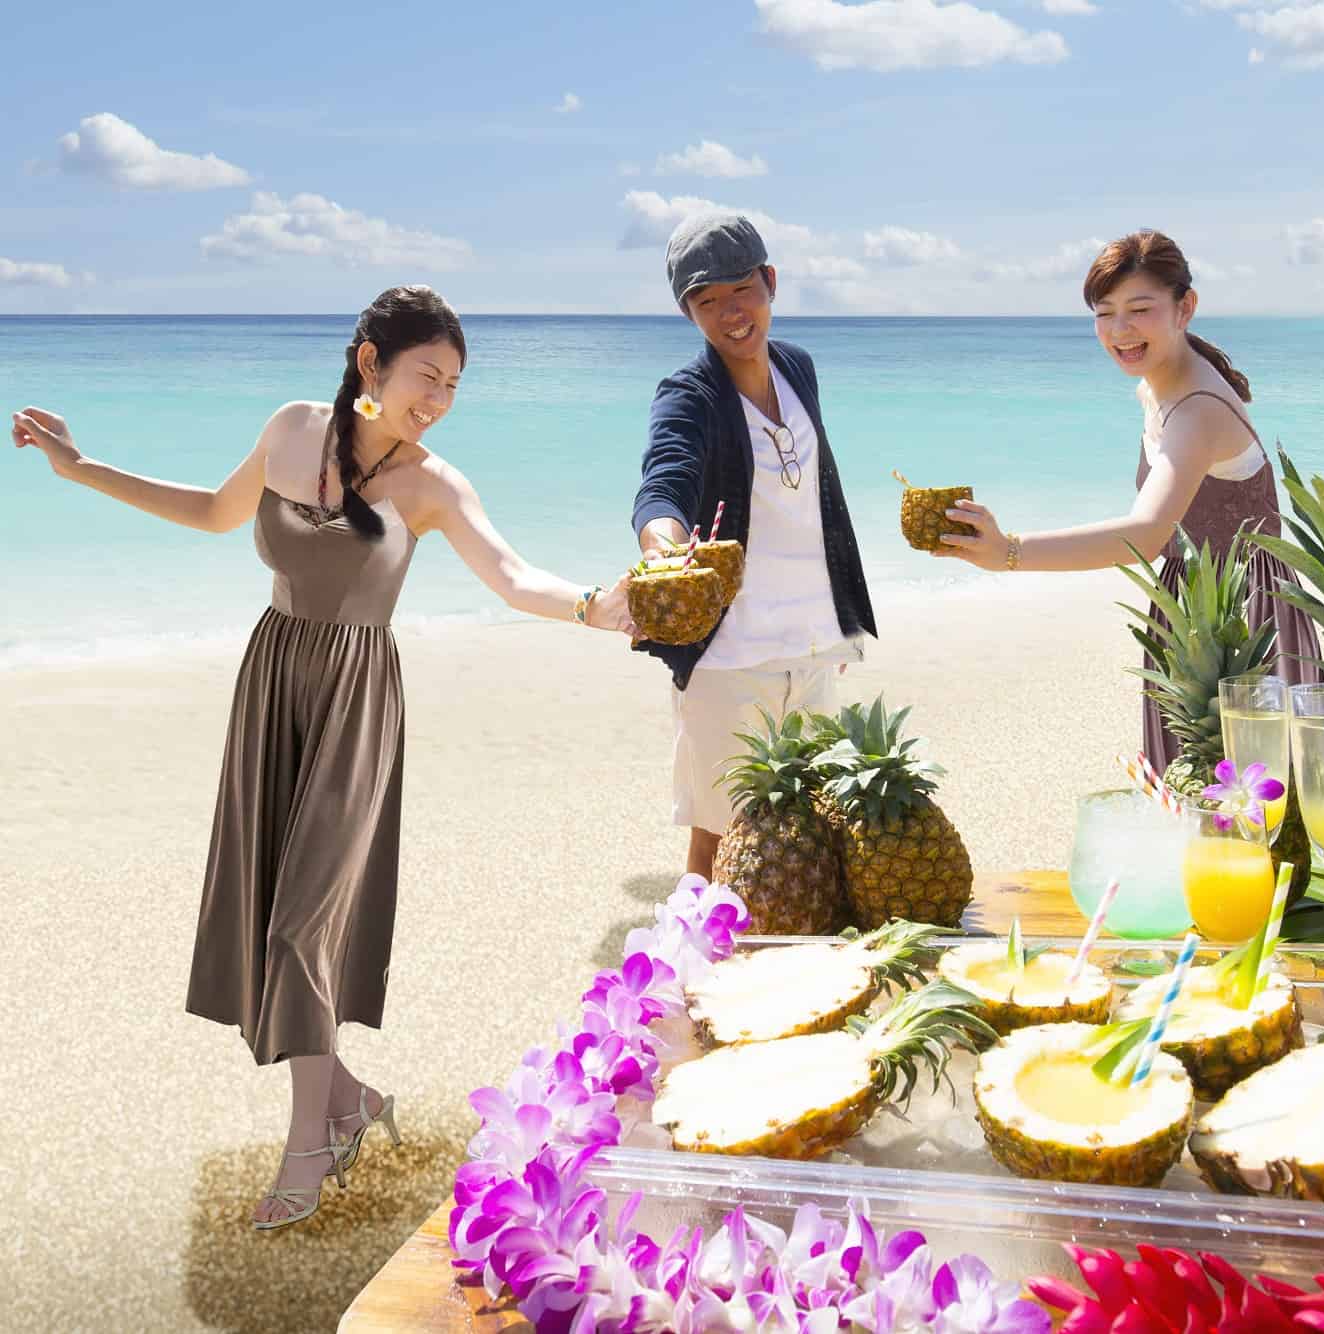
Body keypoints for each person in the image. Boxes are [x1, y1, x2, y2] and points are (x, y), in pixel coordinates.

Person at [9, 285, 635, 1230]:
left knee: (305, 921)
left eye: (455, 385)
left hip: (354, 696)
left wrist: (597, 605)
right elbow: (217, 513)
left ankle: (314, 1143)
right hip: (273, 679)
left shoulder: (432, 483)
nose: (439, 398)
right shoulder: (291, 429)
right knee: (269, 911)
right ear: (368, 362)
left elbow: (510, 577)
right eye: (428, 374)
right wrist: (81, 468)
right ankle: (345, 1095)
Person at [933, 229, 1319, 774]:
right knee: (1200, 809)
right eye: (1104, 313)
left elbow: (1145, 535)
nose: (1120, 331)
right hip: (1196, 613)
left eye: (1140, 309)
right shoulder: (1157, 386)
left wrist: (1010, 552)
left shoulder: (1197, 409)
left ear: (1185, 308)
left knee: (1250, 810)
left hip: (1243, 622)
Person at [631, 212, 875, 880]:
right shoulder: (690, 395)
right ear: (689, 314)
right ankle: (690, 967)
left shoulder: (797, 367)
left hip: (812, 643)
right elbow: (663, 481)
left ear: (770, 282)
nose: (730, 313)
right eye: (707, 302)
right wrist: (665, 549)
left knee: (813, 824)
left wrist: (839, 621)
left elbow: (813, 500)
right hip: (731, 656)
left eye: (740, 290)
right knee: (721, 832)